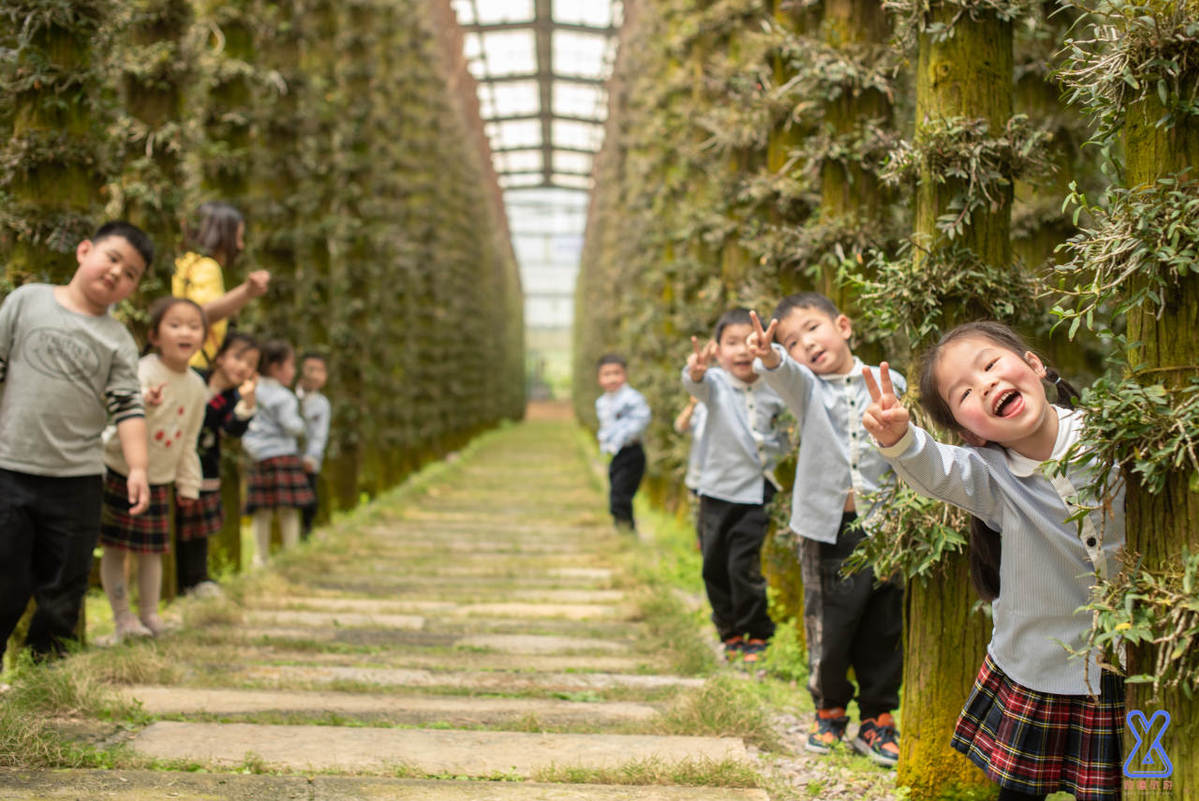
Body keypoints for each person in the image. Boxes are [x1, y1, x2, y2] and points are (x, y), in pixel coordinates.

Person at [861, 321, 1125, 801]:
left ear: (1034, 365)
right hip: (1041, 666)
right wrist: (900, 440)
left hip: (1138, 657)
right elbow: (938, 470)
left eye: (989, 365)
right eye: (964, 392)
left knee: (1138, 785)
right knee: (1019, 792)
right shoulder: (991, 478)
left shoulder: (1113, 437)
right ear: (971, 433)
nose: (984, 384)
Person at [745, 294, 903, 766]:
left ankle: (877, 718)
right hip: (826, 528)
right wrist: (770, 354)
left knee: (884, 624)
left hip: (885, 524)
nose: (806, 344)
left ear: (844, 325)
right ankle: (829, 711)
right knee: (830, 624)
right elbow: (781, 373)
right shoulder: (805, 388)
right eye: (794, 341)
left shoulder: (888, 381)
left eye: (813, 329)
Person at [0, 221, 153, 661]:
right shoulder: (26, 302)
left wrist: (138, 467)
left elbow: (128, 407)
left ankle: (48, 674)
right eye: (113, 258)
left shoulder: (117, 340)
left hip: (78, 480)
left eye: (131, 274)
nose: (117, 274)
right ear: (84, 250)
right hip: (11, 469)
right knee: (4, 578)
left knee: (64, 586)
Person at [682, 308, 787, 666]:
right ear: (717, 349)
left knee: (743, 566)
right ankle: (728, 631)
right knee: (713, 564)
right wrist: (695, 371)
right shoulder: (715, 383)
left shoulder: (775, 384)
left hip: (757, 493)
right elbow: (695, 383)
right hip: (715, 491)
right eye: (731, 343)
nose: (742, 350)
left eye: (750, 341)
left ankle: (756, 630)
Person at [99, 297, 208, 639]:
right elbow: (115, 410)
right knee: (115, 546)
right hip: (120, 469)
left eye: (194, 326)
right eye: (175, 324)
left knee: (153, 551)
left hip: (161, 479)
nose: (185, 332)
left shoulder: (197, 386)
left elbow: (189, 439)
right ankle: (122, 618)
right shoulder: (142, 369)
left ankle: (149, 615)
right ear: (155, 335)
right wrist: (142, 401)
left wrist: (189, 482)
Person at [175, 332, 259, 596]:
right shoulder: (193, 377)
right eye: (237, 358)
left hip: (205, 470)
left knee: (197, 531)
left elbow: (232, 430)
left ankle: (196, 579)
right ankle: (174, 582)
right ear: (220, 357)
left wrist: (248, 405)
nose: (242, 367)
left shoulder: (233, 399)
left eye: (250, 364)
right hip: (172, 463)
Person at [242, 339, 313, 565]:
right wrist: (303, 425)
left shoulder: (251, 391)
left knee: (261, 510)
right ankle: (291, 554)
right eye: (290, 365)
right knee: (289, 510)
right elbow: (291, 425)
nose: (293, 371)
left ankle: (259, 558)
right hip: (283, 455)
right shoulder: (284, 397)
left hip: (259, 456)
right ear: (275, 367)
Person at [173, 201, 270, 367]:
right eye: (238, 237)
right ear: (222, 235)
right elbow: (201, 314)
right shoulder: (207, 266)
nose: (240, 245)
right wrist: (247, 291)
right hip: (194, 363)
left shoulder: (185, 262)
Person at [594, 353, 651, 532]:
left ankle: (626, 530)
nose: (612, 378)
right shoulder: (602, 402)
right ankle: (623, 529)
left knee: (620, 495)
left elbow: (642, 419)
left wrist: (621, 436)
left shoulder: (632, 398)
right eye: (606, 374)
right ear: (599, 378)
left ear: (625, 375)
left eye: (616, 373)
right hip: (616, 454)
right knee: (616, 492)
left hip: (631, 452)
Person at [295, 351, 330, 539]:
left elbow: (320, 435)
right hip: (287, 457)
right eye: (311, 369)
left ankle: (306, 535)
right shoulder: (289, 396)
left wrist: (311, 457)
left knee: (309, 501)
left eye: (321, 370)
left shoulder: (322, 403)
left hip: (309, 461)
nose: (315, 375)